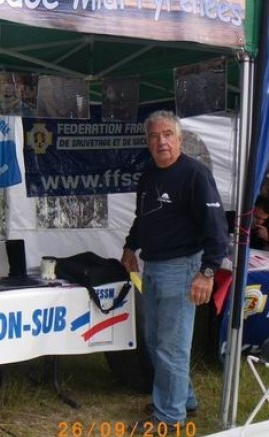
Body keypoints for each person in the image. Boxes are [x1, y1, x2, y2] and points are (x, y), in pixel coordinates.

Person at [120, 110, 228, 430]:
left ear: (180, 139)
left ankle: (169, 416)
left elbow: (217, 228)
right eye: (154, 136)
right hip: (153, 266)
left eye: (167, 134)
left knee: (171, 345)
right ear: (147, 142)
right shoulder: (149, 176)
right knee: (156, 342)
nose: (161, 141)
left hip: (182, 269)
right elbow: (144, 218)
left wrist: (207, 272)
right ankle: (184, 398)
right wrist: (129, 247)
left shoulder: (195, 174)